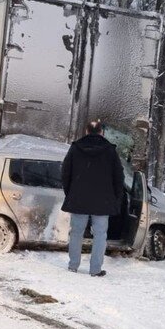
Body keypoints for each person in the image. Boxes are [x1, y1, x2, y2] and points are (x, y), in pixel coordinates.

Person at [61, 119, 126, 277]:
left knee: (76, 232)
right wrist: (116, 198)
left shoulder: (75, 149)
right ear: (102, 133)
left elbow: (65, 173)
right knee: (100, 235)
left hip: (78, 199)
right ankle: (95, 269)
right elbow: (119, 177)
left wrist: (70, 192)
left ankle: (73, 265)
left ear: (86, 131)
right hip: (102, 202)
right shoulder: (110, 151)